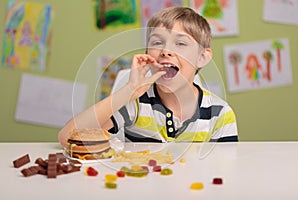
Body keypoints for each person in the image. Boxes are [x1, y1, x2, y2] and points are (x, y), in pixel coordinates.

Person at [58, 6, 238, 147]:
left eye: (181, 43)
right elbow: (68, 138)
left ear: (202, 57)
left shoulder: (220, 114)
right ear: (147, 55)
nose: (166, 51)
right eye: (157, 42)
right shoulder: (135, 106)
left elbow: (225, 172)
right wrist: (129, 91)